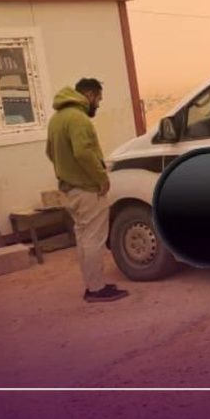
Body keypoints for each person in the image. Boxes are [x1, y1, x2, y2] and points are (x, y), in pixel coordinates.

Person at [46, 78, 129, 303]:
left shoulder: (57, 119)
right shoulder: (78, 118)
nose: (98, 104)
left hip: (70, 189)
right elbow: (83, 153)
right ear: (90, 95)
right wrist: (101, 178)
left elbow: (50, 153)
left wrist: (67, 172)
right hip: (87, 189)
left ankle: (93, 285)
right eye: (98, 99)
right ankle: (96, 289)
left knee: (83, 238)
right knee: (94, 239)